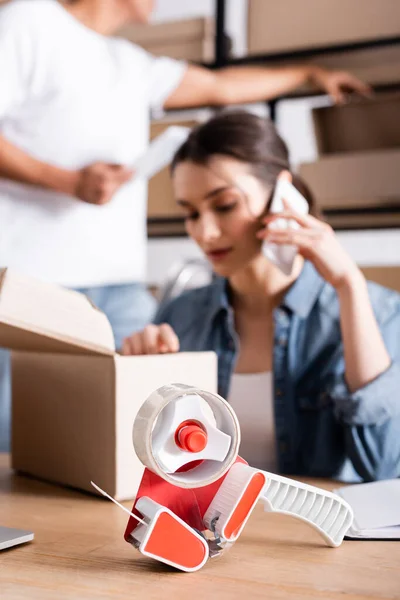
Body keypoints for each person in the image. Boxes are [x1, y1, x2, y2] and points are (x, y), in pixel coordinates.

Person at [0, 0, 370, 451]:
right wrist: (67, 180)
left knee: (119, 450)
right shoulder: (28, 20)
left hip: (119, 289)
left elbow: (219, 86)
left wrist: (309, 75)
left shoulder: (127, 63)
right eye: (192, 212)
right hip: (33, 287)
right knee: (17, 445)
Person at [122, 111, 400, 483]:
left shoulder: (377, 312)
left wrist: (350, 286)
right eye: (190, 213)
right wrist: (138, 382)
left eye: (224, 206)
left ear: (282, 194)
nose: (204, 232)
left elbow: (384, 469)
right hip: (210, 531)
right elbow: (151, 468)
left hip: (309, 539)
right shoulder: (182, 313)